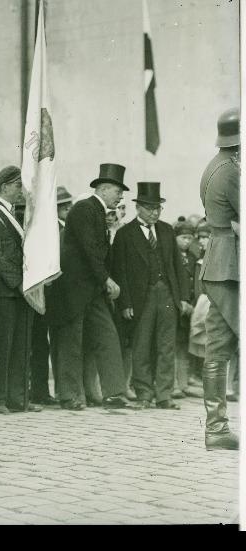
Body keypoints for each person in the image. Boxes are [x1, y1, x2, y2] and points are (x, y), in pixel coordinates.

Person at [47, 163, 139, 411]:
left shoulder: (96, 212)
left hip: (91, 288)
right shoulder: (84, 209)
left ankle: (114, 393)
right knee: (72, 341)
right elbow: (90, 251)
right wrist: (107, 279)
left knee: (107, 336)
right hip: (74, 288)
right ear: (105, 188)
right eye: (118, 191)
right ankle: (70, 396)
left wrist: (103, 280)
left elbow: (96, 253)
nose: (121, 197)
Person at [111, 182, 192, 410]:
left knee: (167, 346)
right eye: (149, 208)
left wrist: (183, 297)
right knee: (142, 345)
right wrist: (125, 302)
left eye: (158, 208)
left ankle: (164, 395)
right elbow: (120, 271)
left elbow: (177, 266)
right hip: (140, 298)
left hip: (167, 295)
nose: (154, 212)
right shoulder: (125, 234)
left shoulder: (166, 230)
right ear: (138, 208)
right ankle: (144, 394)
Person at [198, 107, 239, 450]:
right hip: (231, 266)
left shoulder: (216, 166)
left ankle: (217, 429)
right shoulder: (232, 171)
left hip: (219, 263)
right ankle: (216, 429)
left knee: (218, 347)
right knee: (221, 347)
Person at [0, 166, 40, 414]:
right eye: (17, 186)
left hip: (21, 290)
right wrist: (20, 284)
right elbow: (0, 254)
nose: (21, 191)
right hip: (5, 292)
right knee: (3, 347)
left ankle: (18, 398)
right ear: (3, 187)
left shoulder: (18, 216)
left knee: (21, 347)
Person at [30, 185, 72, 405]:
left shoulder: (68, 228)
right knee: (40, 344)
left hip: (62, 294)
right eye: (61, 206)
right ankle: (39, 390)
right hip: (46, 293)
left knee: (56, 343)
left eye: (67, 205)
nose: (66, 209)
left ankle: (51, 390)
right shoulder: (48, 228)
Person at [173, 220, 198, 399]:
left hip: (190, 308)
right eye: (183, 238)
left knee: (184, 347)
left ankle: (183, 383)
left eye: (190, 238)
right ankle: (172, 383)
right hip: (176, 307)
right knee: (172, 346)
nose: (187, 242)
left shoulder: (192, 258)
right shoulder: (171, 257)